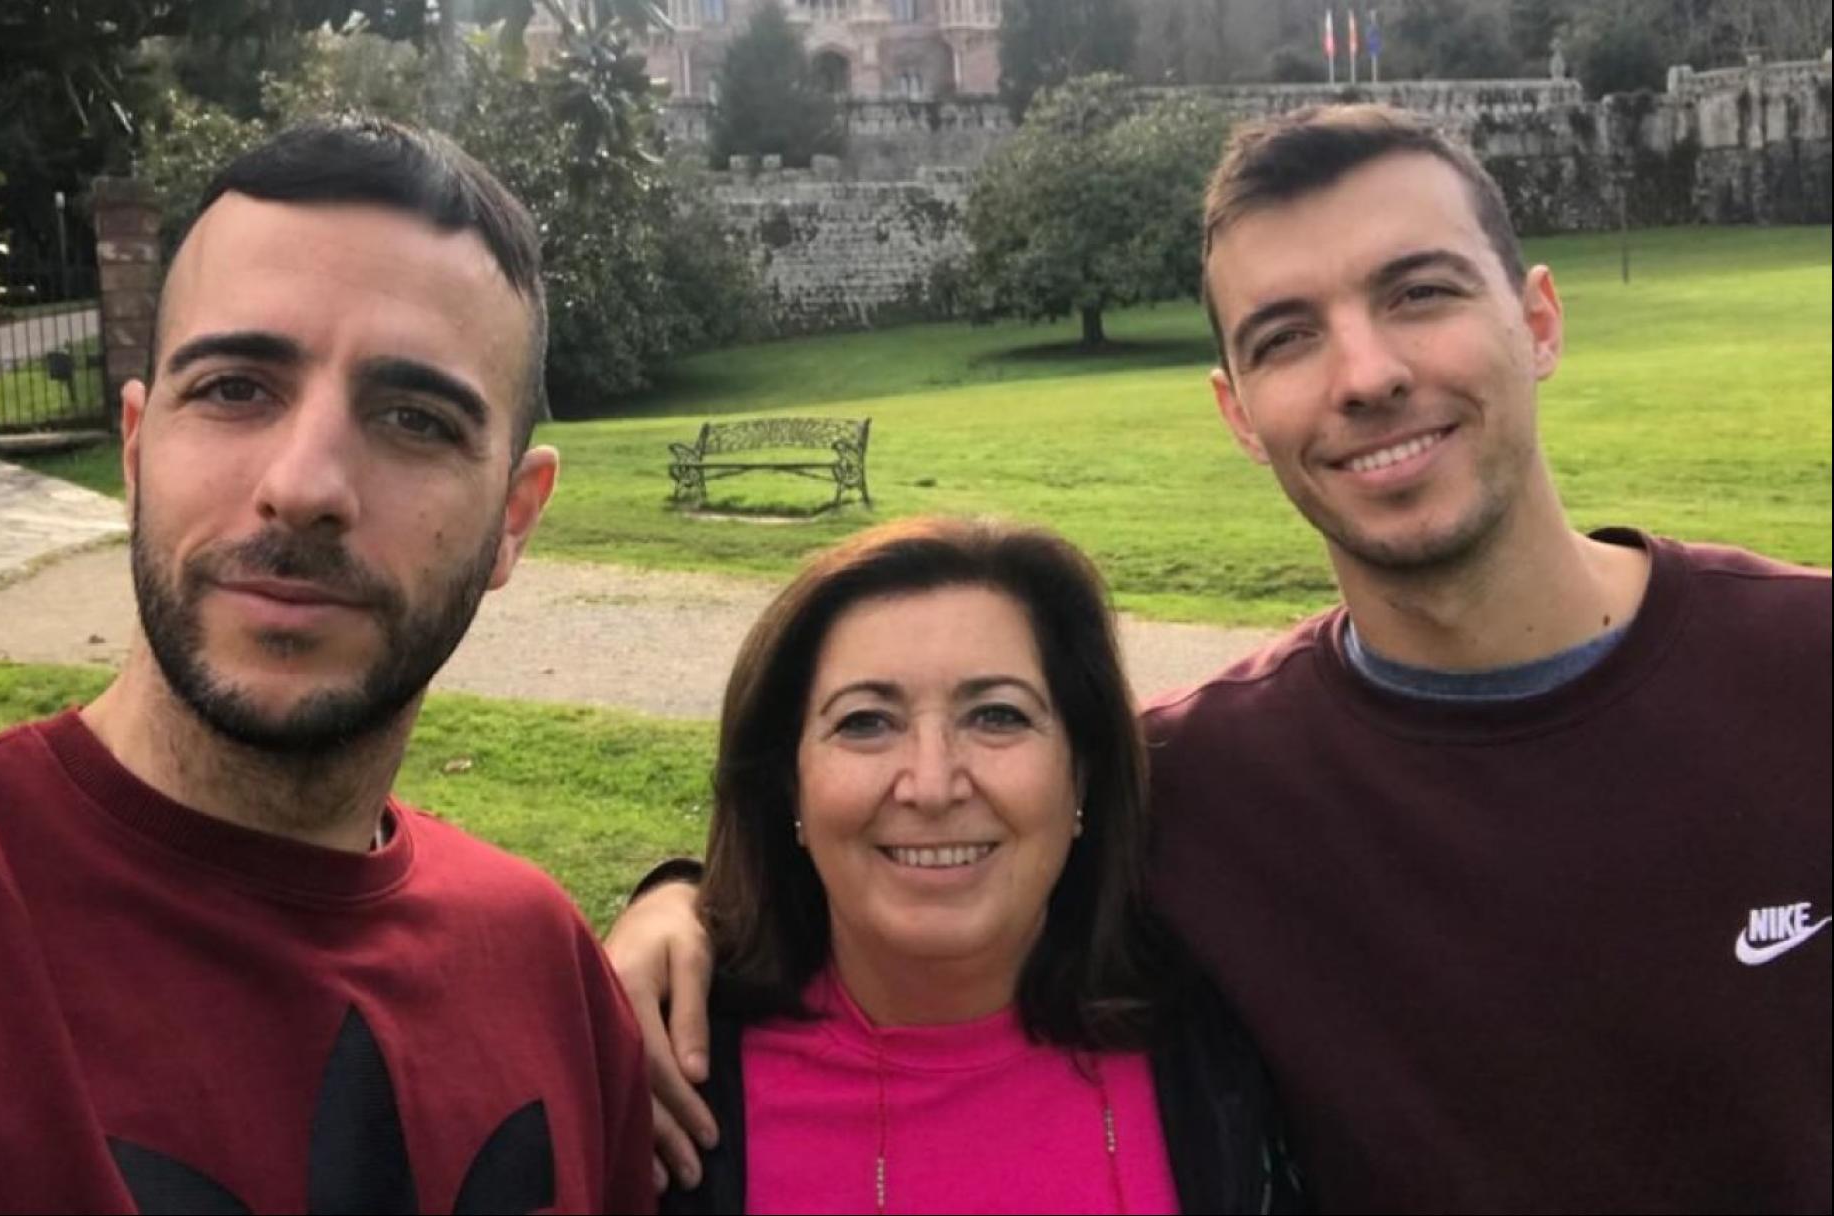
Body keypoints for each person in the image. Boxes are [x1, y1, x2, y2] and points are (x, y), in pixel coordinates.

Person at [605, 103, 1832, 1213]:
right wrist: (677, 908)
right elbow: (918, 861)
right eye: (1289, 336)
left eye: (1420, 293)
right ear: (1237, 410)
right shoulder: (1196, 784)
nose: (1368, 376)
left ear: (1540, 320)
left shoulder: (1803, 670)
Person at [0, 117, 651, 1214]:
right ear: (137, 454)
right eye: (236, 388)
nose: (306, 483)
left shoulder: (549, 974)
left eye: (416, 418)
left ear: (515, 520)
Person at [660, 516, 1300, 1214]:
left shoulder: (1222, 1036)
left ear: (1080, 774)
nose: (932, 787)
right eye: (866, 722)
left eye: (997, 717)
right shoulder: (668, 1083)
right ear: (791, 785)